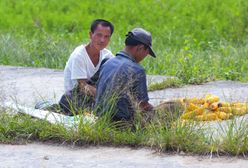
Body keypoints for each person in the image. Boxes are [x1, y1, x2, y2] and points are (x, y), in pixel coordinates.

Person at [95, 27, 156, 122]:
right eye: (146, 53)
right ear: (139, 48)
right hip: (121, 124)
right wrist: (158, 111)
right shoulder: (137, 70)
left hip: (100, 120)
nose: (145, 56)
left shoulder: (107, 62)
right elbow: (142, 106)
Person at [59, 19, 115, 115]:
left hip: (95, 95)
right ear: (90, 35)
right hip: (76, 97)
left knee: (111, 63)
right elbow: (82, 86)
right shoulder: (79, 55)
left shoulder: (107, 55)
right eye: (99, 35)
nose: (102, 40)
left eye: (106, 37)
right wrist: (105, 97)